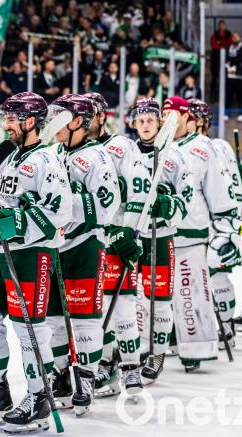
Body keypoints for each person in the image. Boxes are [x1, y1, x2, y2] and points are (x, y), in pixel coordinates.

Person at [0, 92, 72, 432]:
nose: (7, 124)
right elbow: (5, 201)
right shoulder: (10, 156)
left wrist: (15, 224)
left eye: (13, 119)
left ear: (31, 122)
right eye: (6, 118)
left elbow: (60, 211)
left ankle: (40, 397)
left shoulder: (48, 161)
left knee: (29, 328)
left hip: (31, 254)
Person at [45, 94, 120, 416]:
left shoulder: (97, 157)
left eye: (61, 117)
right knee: (53, 319)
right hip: (51, 247)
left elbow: (105, 204)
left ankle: (86, 377)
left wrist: (63, 202)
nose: (53, 123)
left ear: (78, 122)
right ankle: (61, 375)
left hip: (84, 245)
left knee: (85, 319)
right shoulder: (52, 153)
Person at [83, 92, 147, 398]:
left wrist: (130, 232)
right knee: (93, 310)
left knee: (122, 306)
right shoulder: (72, 149)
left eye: (87, 115)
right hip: (85, 241)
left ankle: (131, 367)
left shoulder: (121, 146)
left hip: (117, 238)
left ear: (100, 117)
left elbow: (139, 190)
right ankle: (103, 364)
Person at [169, 96, 238, 372]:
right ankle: (172, 339)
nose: (168, 122)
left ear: (188, 118)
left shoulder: (203, 148)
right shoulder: (163, 148)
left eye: (174, 116)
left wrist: (224, 231)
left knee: (191, 292)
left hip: (194, 235)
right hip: (165, 234)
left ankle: (196, 348)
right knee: (167, 295)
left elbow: (221, 193)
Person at [128, 97, 193, 383]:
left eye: (150, 120)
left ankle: (157, 353)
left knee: (159, 299)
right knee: (127, 300)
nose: (145, 125)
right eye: (140, 121)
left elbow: (186, 196)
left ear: (160, 123)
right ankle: (132, 349)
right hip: (132, 236)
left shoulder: (174, 154)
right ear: (133, 124)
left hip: (160, 237)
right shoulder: (125, 153)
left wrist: (167, 206)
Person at [189, 98, 242, 348]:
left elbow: (230, 187)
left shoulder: (217, 147)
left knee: (218, 276)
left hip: (219, 222)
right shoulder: (184, 146)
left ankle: (227, 326)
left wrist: (229, 225)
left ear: (201, 121)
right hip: (197, 223)